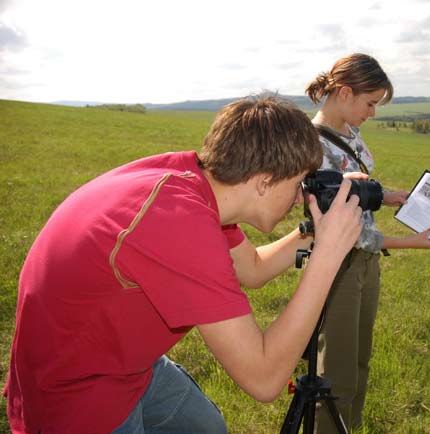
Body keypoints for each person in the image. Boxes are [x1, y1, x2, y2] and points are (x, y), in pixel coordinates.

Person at [3, 96, 365, 434]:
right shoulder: (179, 224)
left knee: (207, 427)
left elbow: (252, 268)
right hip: (77, 391)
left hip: (126, 361)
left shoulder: (192, 183)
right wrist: (328, 256)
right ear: (264, 181)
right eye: (300, 183)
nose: (302, 195)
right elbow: (265, 377)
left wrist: (315, 230)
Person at [305, 53, 430, 433]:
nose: (373, 113)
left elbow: (358, 193)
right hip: (340, 267)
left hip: (366, 263)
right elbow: (339, 230)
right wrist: (409, 242)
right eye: (370, 103)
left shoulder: (349, 133)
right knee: (338, 374)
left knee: (360, 362)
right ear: (345, 93)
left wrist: (389, 195)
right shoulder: (314, 147)